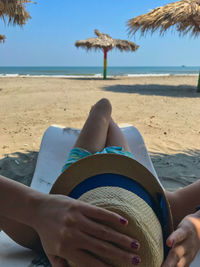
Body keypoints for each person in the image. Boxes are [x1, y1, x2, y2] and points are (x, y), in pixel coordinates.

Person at [0, 98, 200, 267]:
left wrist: (35, 209)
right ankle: (104, 115)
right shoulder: (171, 214)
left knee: (102, 108)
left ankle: (101, 114)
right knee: (104, 108)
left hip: (81, 168)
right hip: (123, 163)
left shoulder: (44, 234)